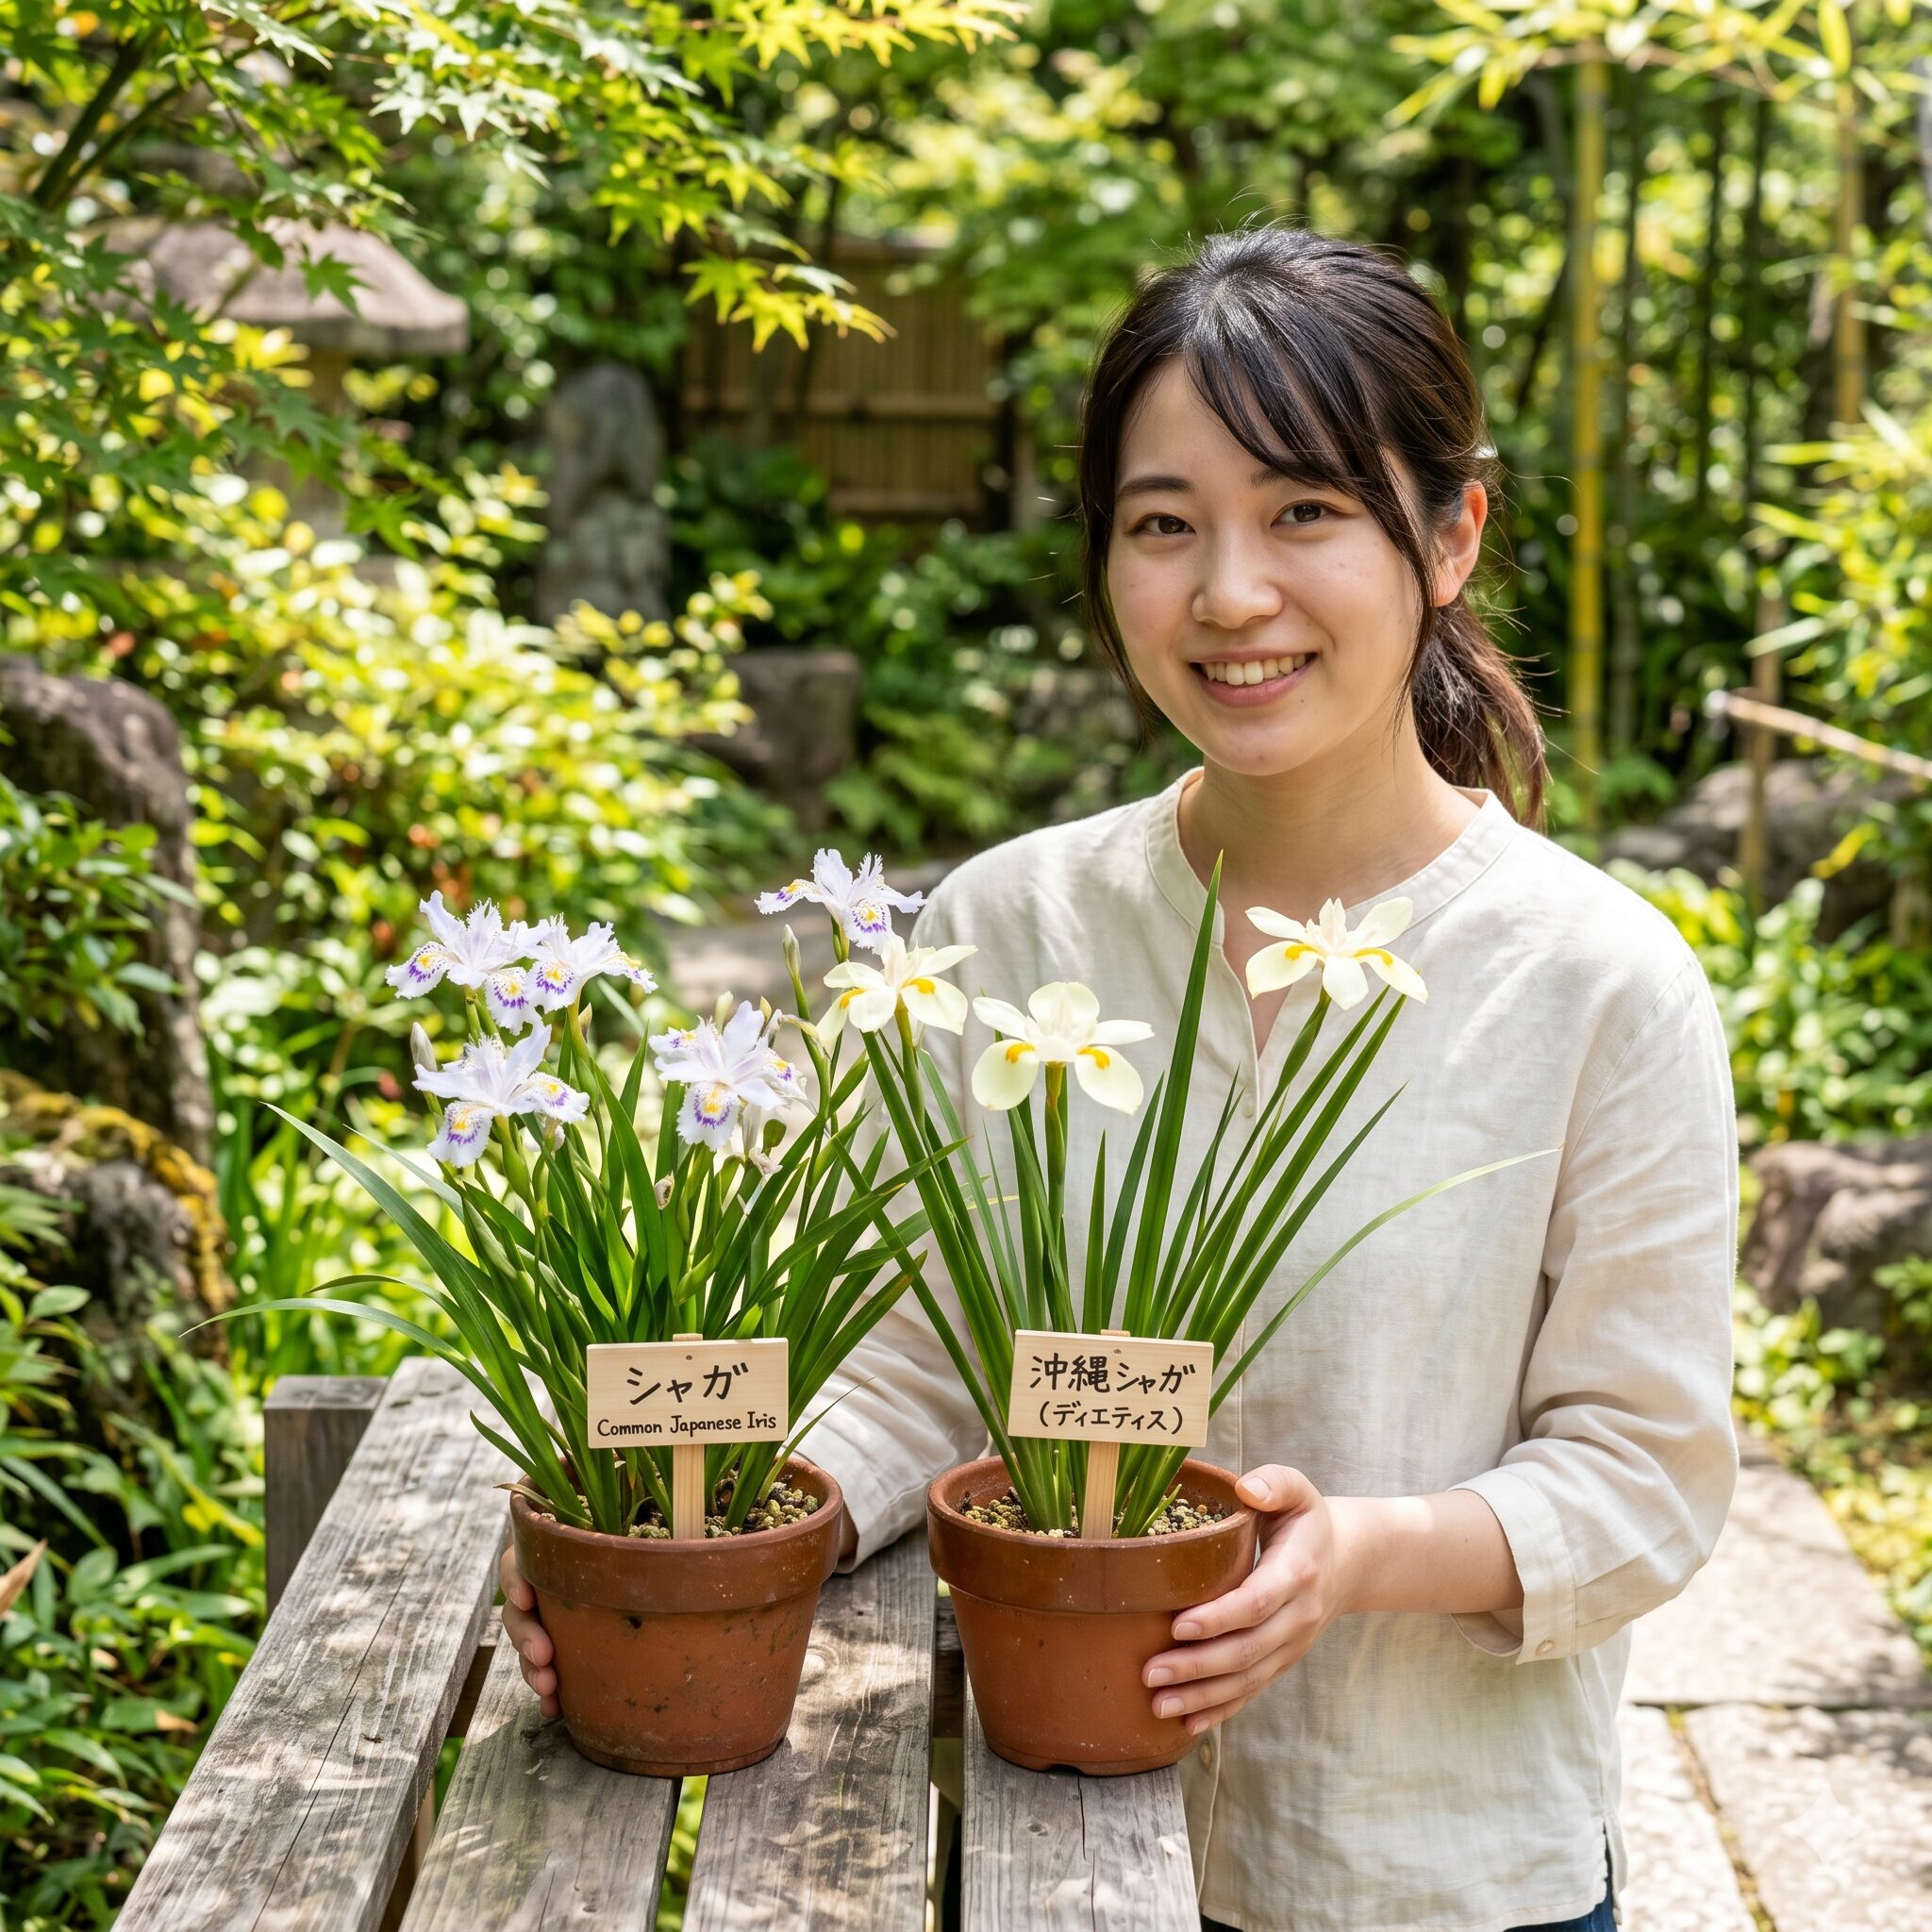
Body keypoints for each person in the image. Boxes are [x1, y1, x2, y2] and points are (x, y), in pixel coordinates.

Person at [500, 221, 1740, 1932]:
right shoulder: (1013, 929)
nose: (1230, 593)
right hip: (1034, 1852)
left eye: (1304, 510)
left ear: (1450, 535)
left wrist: (1356, 1555)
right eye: (1166, 526)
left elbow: (1647, 1475)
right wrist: (676, 1540)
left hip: (1432, 1875)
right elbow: (913, 1369)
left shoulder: (1601, 980)